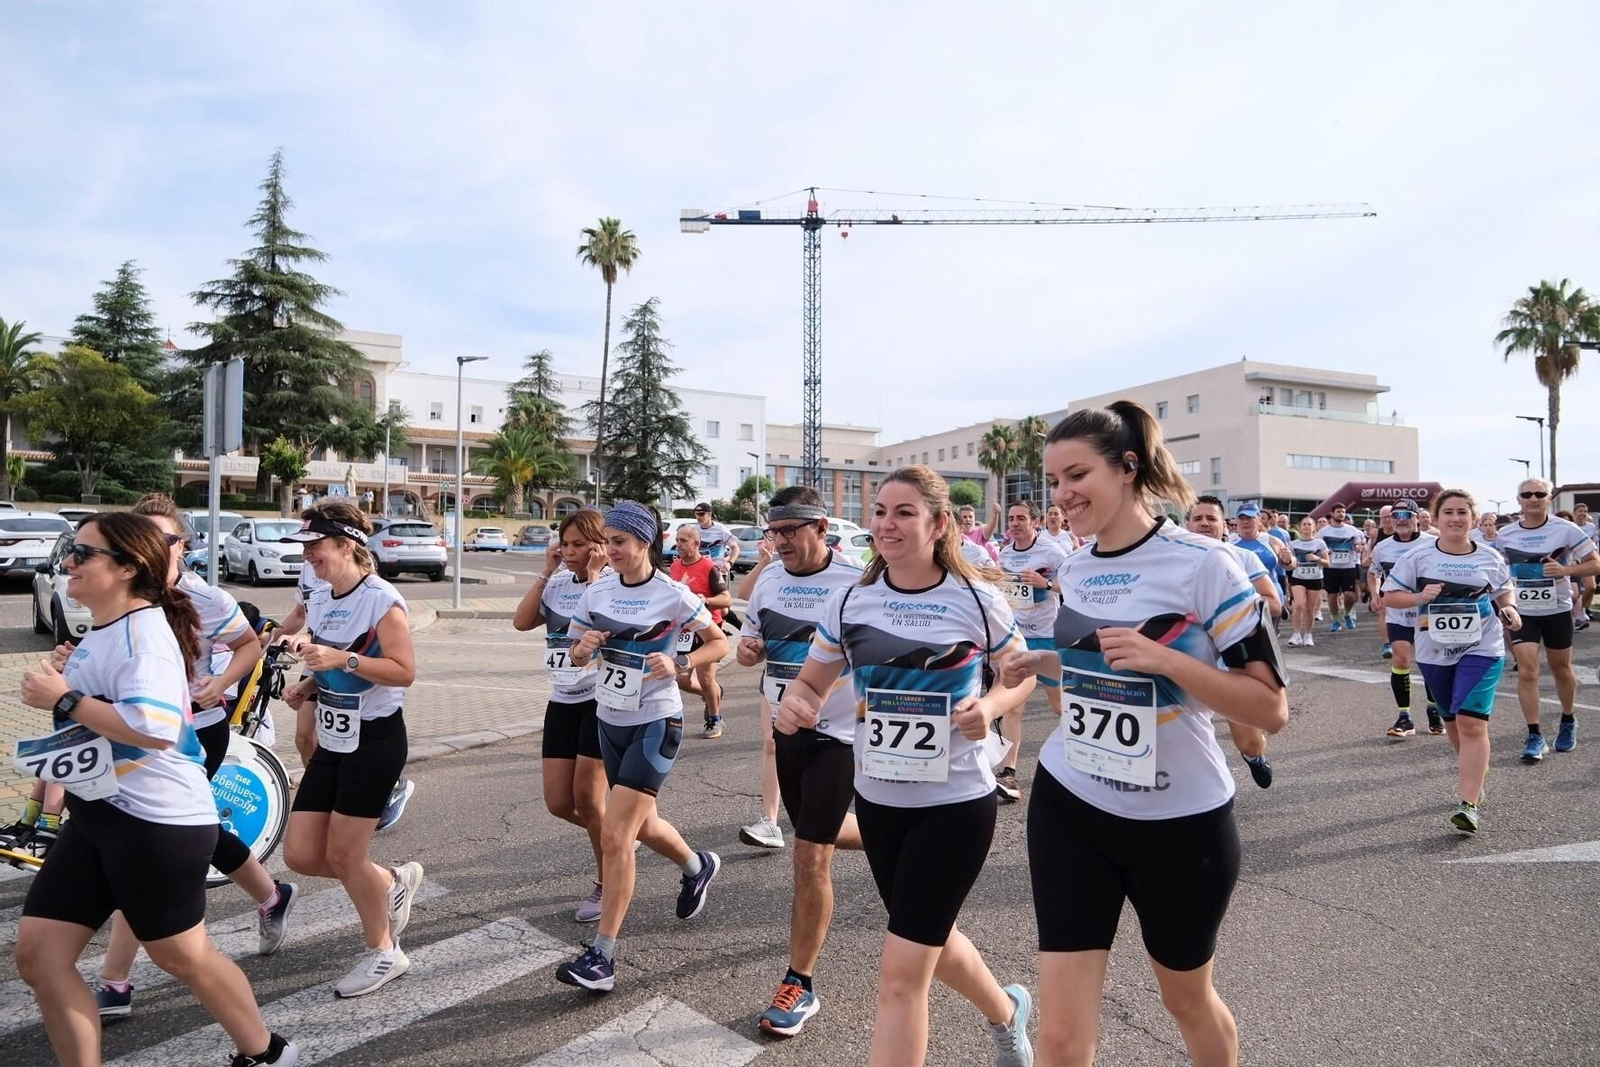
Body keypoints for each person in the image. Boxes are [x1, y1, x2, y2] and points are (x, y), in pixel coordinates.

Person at [1001, 402, 1286, 1067]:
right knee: (1061, 1037)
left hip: (1180, 821)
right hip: (1072, 804)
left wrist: (1166, 659)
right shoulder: (1075, 567)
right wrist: (1042, 661)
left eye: (1077, 474)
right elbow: (1096, 667)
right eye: (1054, 480)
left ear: (1128, 468)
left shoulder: (1207, 564)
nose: (1062, 494)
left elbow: (1269, 708)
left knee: (1185, 999)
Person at [14, 512, 297, 1067]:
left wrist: (64, 699)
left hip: (156, 824)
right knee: (41, 957)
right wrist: (70, 681)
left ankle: (267, 1054)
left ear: (125, 569)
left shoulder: (143, 634)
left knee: (183, 956)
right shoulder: (107, 626)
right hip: (99, 814)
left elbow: (155, 726)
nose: (67, 561)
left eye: (82, 552)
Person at [776, 466, 1034, 1067]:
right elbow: (813, 684)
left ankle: (1004, 1015)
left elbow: (1017, 675)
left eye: (904, 513)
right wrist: (797, 704)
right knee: (930, 941)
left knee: (899, 974)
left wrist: (990, 707)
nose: (886, 525)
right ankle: (1007, 1011)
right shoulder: (851, 600)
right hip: (879, 802)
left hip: (955, 805)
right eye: (880, 512)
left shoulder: (975, 598)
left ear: (938, 523)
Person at [92, 495, 299, 1020]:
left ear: (182, 546)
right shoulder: (120, 593)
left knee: (143, 851)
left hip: (193, 738)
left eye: (166, 541)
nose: (154, 551)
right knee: (194, 834)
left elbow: (249, 646)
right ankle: (272, 894)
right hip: (129, 737)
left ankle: (114, 981)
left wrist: (220, 685)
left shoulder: (203, 597)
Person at [555, 501, 727, 993]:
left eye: (620, 543)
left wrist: (680, 663)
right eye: (607, 542)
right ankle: (697, 866)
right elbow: (576, 651)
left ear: (644, 543)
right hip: (610, 720)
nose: (611, 551)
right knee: (643, 823)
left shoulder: (672, 594)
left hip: (656, 720)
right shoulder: (599, 589)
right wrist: (584, 648)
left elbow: (719, 643)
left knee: (616, 833)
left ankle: (602, 957)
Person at [276, 501, 425, 998]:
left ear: (346, 545)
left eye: (316, 546)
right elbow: (329, 665)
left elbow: (403, 670)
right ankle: (390, 881)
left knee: (343, 854)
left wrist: (345, 657)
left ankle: (384, 952)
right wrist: (310, 688)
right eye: (306, 547)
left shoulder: (381, 599)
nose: (308, 556)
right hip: (335, 738)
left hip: (376, 740)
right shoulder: (320, 596)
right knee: (299, 853)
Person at [737, 485, 866, 1037]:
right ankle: (892, 833)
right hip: (787, 733)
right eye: (774, 531)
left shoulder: (858, 582)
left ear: (821, 527)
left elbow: (882, 662)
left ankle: (799, 983)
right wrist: (750, 650)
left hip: (841, 737)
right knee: (821, 833)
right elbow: (750, 642)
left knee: (811, 857)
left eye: (790, 530)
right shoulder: (768, 578)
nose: (780, 541)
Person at [1382, 490, 1519, 834]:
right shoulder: (1418, 557)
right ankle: (1475, 776)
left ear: (1473, 518)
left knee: (1472, 723)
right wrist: (1418, 596)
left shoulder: (1490, 557)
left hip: (1483, 648)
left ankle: (1468, 803)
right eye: (1449, 512)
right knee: (1454, 723)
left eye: (1462, 512)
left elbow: (1503, 590)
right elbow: (1390, 596)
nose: (1456, 518)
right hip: (1434, 651)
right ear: (1436, 518)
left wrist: (1509, 607)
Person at [512, 507, 613, 923]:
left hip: (600, 699)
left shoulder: (610, 583)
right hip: (563, 699)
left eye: (578, 545)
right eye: (564, 544)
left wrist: (594, 576)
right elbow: (521, 622)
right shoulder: (555, 583)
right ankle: (618, 837)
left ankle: (607, 880)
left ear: (598, 545)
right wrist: (544, 571)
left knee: (589, 801)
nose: (568, 552)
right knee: (558, 802)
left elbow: (607, 625)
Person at [1495, 478, 1600, 761]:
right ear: (1518, 499)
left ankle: (1568, 719)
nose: (1533, 498)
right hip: (1522, 611)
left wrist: (1566, 569)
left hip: (1557, 609)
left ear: (1548, 498)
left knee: (1561, 668)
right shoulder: (1505, 535)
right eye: (1526, 494)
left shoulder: (1565, 529)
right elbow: (1496, 570)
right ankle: (1534, 734)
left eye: (1539, 494)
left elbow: (1595, 562)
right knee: (1528, 670)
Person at [1192, 499, 1281, 788]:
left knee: (1248, 742)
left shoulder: (1242, 557)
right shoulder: (1172, 560)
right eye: (1197, 519)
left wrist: (1228, 606)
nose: (1204, 523)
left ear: (1223, 526)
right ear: (1188, 525)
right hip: (1183, 657)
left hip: (1231, 659)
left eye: (1211, 519)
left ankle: (1254, 755)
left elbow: (1273, 604)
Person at [996, 499, 1073, 803]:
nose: (1014, 523)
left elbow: (1071, 587)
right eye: (1011, 518)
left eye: (1020, 518)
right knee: (1013, 708)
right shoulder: (1003, 554)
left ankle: (1082, 753)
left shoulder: (1053, 552)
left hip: (1047, 637)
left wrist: (1046, 582)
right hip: (1017, 640)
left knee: (1059, 707)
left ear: (1035, 522)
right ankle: (1009, 772)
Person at [1367, 500, 1441, 738]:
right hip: (1398, 612)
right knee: (1400, 659)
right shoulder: (1383, 547)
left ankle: (1433, 708)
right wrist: (1374, 594)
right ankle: (1404, 716)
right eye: (1396, 514)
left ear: (1416, 517)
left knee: (1428, 662)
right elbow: (1373, 573)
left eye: (1406, 514)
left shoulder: (1432, 543)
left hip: (1427, 613)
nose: (1400, 519)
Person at [671, 524, 732, 740]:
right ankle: (713, 693)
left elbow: (726, 600)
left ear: (696, 544)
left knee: (706, 678)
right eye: (677, 540)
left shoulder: (709, 568)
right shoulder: (675, 566)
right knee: (682, 680)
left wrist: (705, 600)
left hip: (707, 631)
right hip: (684, 632)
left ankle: (714, 718)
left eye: (683, 541)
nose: (678, 544)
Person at [1321, 503, 1366, 632]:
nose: (1341, 514)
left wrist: (1359, 548)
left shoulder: (1351, 530)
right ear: (1332, 513)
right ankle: (1336, 619)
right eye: (1338, 512)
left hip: (1349, 566)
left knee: (1350, 595)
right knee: (1332, 595)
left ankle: (1346, 614)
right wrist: (1324, 553)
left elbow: (1359, 545)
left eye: (1343, 512)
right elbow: (1318, 547)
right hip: (1331, 567)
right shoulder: (1324, 531)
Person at [1287, 519, 1331, 647]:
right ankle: (1296, 634)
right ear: (1300, 527)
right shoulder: (1293, 544)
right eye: (1304, 524)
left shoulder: (1320, 543)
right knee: (1299, 605)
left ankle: (1308, 634)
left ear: (1314, 528)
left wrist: (1317, 558)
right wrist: (1289, 562)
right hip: (1298, 577)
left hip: (1315, 577)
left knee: (1310, 608)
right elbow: (1289, 562)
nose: (1306, 527)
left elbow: (1328, 563)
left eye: (1309, 524)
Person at [692, 502, 740, 572]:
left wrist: (730, 563)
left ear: (709, 515)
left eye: (701, 514)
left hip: (717, 569)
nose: (698, 517)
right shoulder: (695, 530)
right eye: (696, 514)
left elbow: (735, 548)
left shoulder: (721, 529)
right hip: (699, 569)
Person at [1573, 502, 1596, 629]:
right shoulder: (1570, 526)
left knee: (1591, 587)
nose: (1583, 513)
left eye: (1585, 511)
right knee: (1574, 592)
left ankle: (1582, 609)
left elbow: (1593, 543)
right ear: (1575, 513)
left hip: (1587, 560)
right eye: (1580, 511)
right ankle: (1577, 615)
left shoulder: (1591, 527)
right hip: (1574, 561)